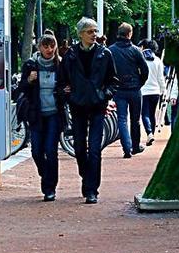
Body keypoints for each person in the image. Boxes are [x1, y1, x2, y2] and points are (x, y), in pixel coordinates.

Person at [59, 17, 119, 204]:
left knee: (94, 149)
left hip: (97, 107)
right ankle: (86, 175)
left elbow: (113, 81)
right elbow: (62, 81)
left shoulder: (105, 54)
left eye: (95, 31)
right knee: (78, 148)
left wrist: (104, 95)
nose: (94, 35)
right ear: (80, 34)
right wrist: (67, 93)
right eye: (90, 31)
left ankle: (91, 189)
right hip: (77, 107)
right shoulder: (70, 55)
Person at [19, 33, 64, 201]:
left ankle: (49, 188)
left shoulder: (60, 64)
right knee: (37, 150)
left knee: (51, 151)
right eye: (45, 46)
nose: (49, 49)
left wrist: (64, 91)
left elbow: (65, 86)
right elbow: (21, 88)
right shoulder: (31, 65)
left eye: (52, 46)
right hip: (36, 114)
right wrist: (29, 81)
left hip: (54, 114)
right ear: (39, 48)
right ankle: (45, 174)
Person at [108, 22, 149, 158]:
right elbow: (145, 70)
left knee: (122, 119)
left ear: (118, 34)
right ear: (130, 34)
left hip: (119, 90)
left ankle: (127, 148)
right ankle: (135, 146)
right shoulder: (136, 50)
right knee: (135, 119)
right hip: (134, 89)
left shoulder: (111, 50)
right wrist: (139, 83)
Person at [140, 40, 166, 145]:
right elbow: (161, 78)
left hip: (144, 91)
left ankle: (149, 133)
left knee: (144, 114)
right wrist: (163, 90)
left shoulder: (141, 59)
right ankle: (152, 135)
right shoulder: (158, 60)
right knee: (152, 114)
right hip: (156, 92)